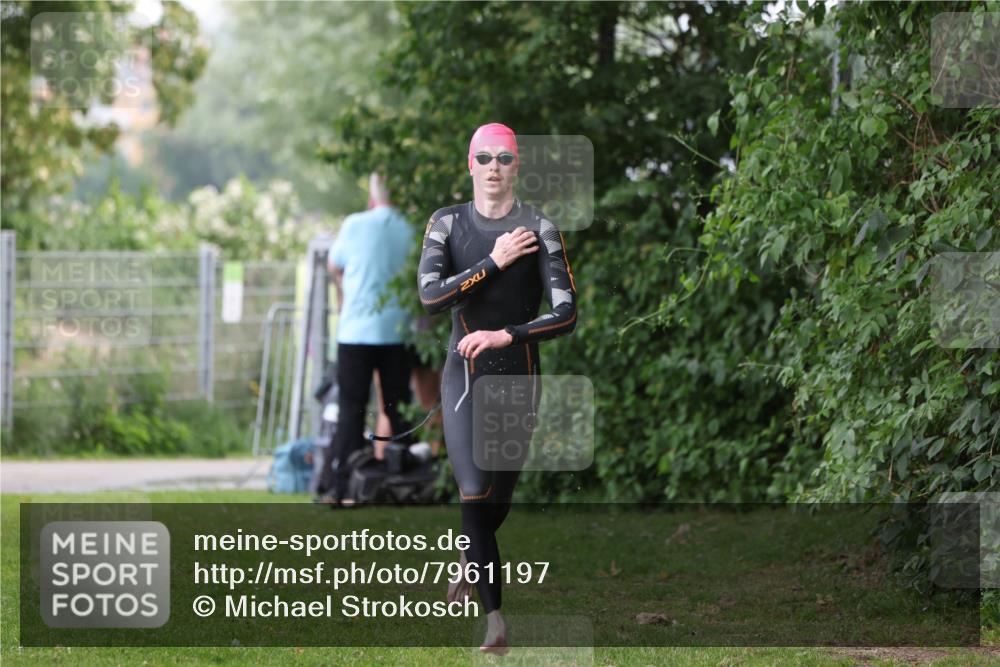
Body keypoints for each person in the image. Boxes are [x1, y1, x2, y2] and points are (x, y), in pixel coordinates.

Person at [417, 122, 577, 652]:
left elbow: (567, 313)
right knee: (473, 492)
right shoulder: (447, 223)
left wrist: (507, 334)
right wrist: (492, 262)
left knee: (495, 503)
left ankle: (470, 554)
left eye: (504, 158)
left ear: (516, 166)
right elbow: (431, 297)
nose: (493, 167)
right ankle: (495, 622)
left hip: (518, 375)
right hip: (464, 375)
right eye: (483, 157)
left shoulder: (540, 227)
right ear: (470, 164)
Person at [318, 172, 417, 505]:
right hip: (397, 330)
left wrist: (344, 291)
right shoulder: (412, 227)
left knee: (351, 409)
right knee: (397, 407)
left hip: (356, 331)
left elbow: (334, 264)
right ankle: (402, 482)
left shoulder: (354, 224)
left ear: (373, 195)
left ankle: (340, 486)